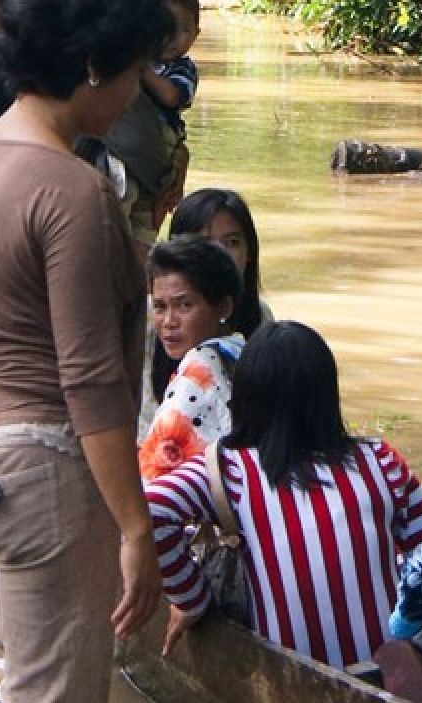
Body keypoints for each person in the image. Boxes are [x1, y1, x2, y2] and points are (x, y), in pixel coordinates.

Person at [0, 1, 173, 703]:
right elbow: (92, 378)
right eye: (136, 72)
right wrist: (136, 527)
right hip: (46, 473)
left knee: (17, 691)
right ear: (95, 67)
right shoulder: (72, 190)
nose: (138, 92)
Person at [147, 321, 422, 667]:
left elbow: (152, 509)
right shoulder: (379, 459)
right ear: (327, 397)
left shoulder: (231, 468)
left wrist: (190, 599)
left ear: (244, 400)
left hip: (292, 674)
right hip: (387, 672)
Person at [140, 188, 271, 438]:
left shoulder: (261, 320)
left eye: (232, 242)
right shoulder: (148, 318)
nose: (221, 254)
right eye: (205, 243)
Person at [138, 235, 243, 480]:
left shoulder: (197, 375)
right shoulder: (240, 351)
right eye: (160, 307)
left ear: (223, 308)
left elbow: (155, 480)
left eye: (184, 305)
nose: (169, 322)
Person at [104, 0, 201, 251]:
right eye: (163, 28)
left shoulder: (183, 68)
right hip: (129, 149)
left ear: (196, 35)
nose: (171, 38)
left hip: (161, 142)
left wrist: (143, 71)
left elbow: (172, 96)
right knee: (120, 207)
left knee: (144, 221)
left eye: (182, 30)